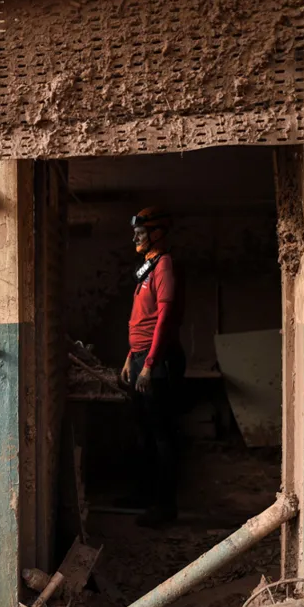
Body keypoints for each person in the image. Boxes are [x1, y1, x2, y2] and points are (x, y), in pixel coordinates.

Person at [119, 206, 185, 527]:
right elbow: (139, 319)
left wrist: (149, 363)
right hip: (140, 357)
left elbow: (164, 318)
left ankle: (165, 507)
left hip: (157, 361)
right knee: (143, 431)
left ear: (156, 234)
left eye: (141, 233)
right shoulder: (148, 266)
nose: (135, 237)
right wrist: (130, 358)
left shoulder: (165, 265)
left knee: (161, 435)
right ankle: (143, 495)